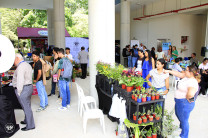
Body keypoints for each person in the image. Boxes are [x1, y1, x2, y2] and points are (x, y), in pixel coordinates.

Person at [164, 65, 200, 138]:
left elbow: (190, 94)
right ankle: (181, 128)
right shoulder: (187, 77)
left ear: (191, 73)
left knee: (184, 119)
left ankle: (184, 135)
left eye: (186, 70)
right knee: (179, 115)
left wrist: (187, 98)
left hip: (184, 103)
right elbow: (178, 74)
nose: (184, 71)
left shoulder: (192, 81)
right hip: (180, 102)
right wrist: (168, 71)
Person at [12, 53, 35, 131]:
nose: (13, 62)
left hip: (24, 88)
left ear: (17, 58)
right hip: (29, 86)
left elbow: (20, 80)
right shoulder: (27, 64)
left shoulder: (21, 66)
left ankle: (30, 125)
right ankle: (27, 120)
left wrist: (18, 91)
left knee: (26, 107)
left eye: (14, 59)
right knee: (27, 105)